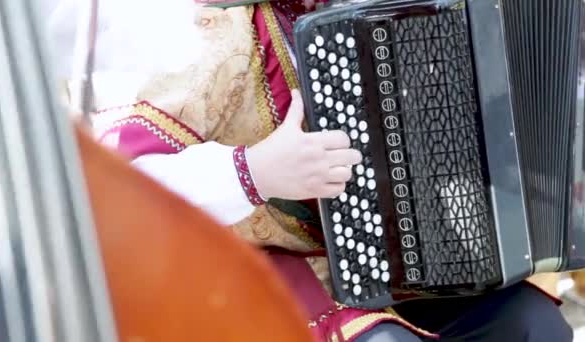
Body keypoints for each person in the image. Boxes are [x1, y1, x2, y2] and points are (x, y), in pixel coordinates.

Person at [46, 0, 574, 340]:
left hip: (413, 269)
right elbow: (114, 192)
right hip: (265, 273)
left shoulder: (412, 12)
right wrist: (253, 171)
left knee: (534, 327)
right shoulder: (206, 33)